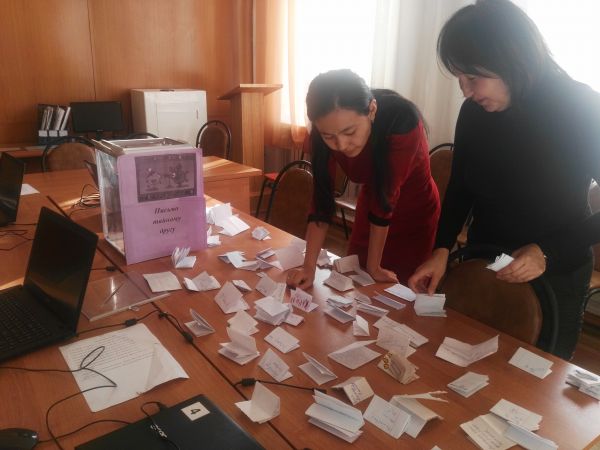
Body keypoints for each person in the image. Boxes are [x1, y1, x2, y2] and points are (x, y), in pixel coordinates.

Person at [408, 0, 600, 360]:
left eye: (473, 78)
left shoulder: (581, 108)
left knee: (535, 380)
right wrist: (440, 250)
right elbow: (461, 187)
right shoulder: (475, 112)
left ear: (512, 60)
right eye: (460, 79)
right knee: (465, 364)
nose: (466, 92)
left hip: (555, 273)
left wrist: (546, 252)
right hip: (484, 262)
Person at [287, 69, 440, 290]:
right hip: (371, 205)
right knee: (357, 280)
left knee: (402, 290)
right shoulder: (323, 131)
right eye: (329, 136)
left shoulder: (402, 122)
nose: (341, 145)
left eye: (349, 132)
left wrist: (374, 266)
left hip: (413, 211)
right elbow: (321, 200)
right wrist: (308, 267)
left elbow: (386, 197)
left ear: (372, 110)